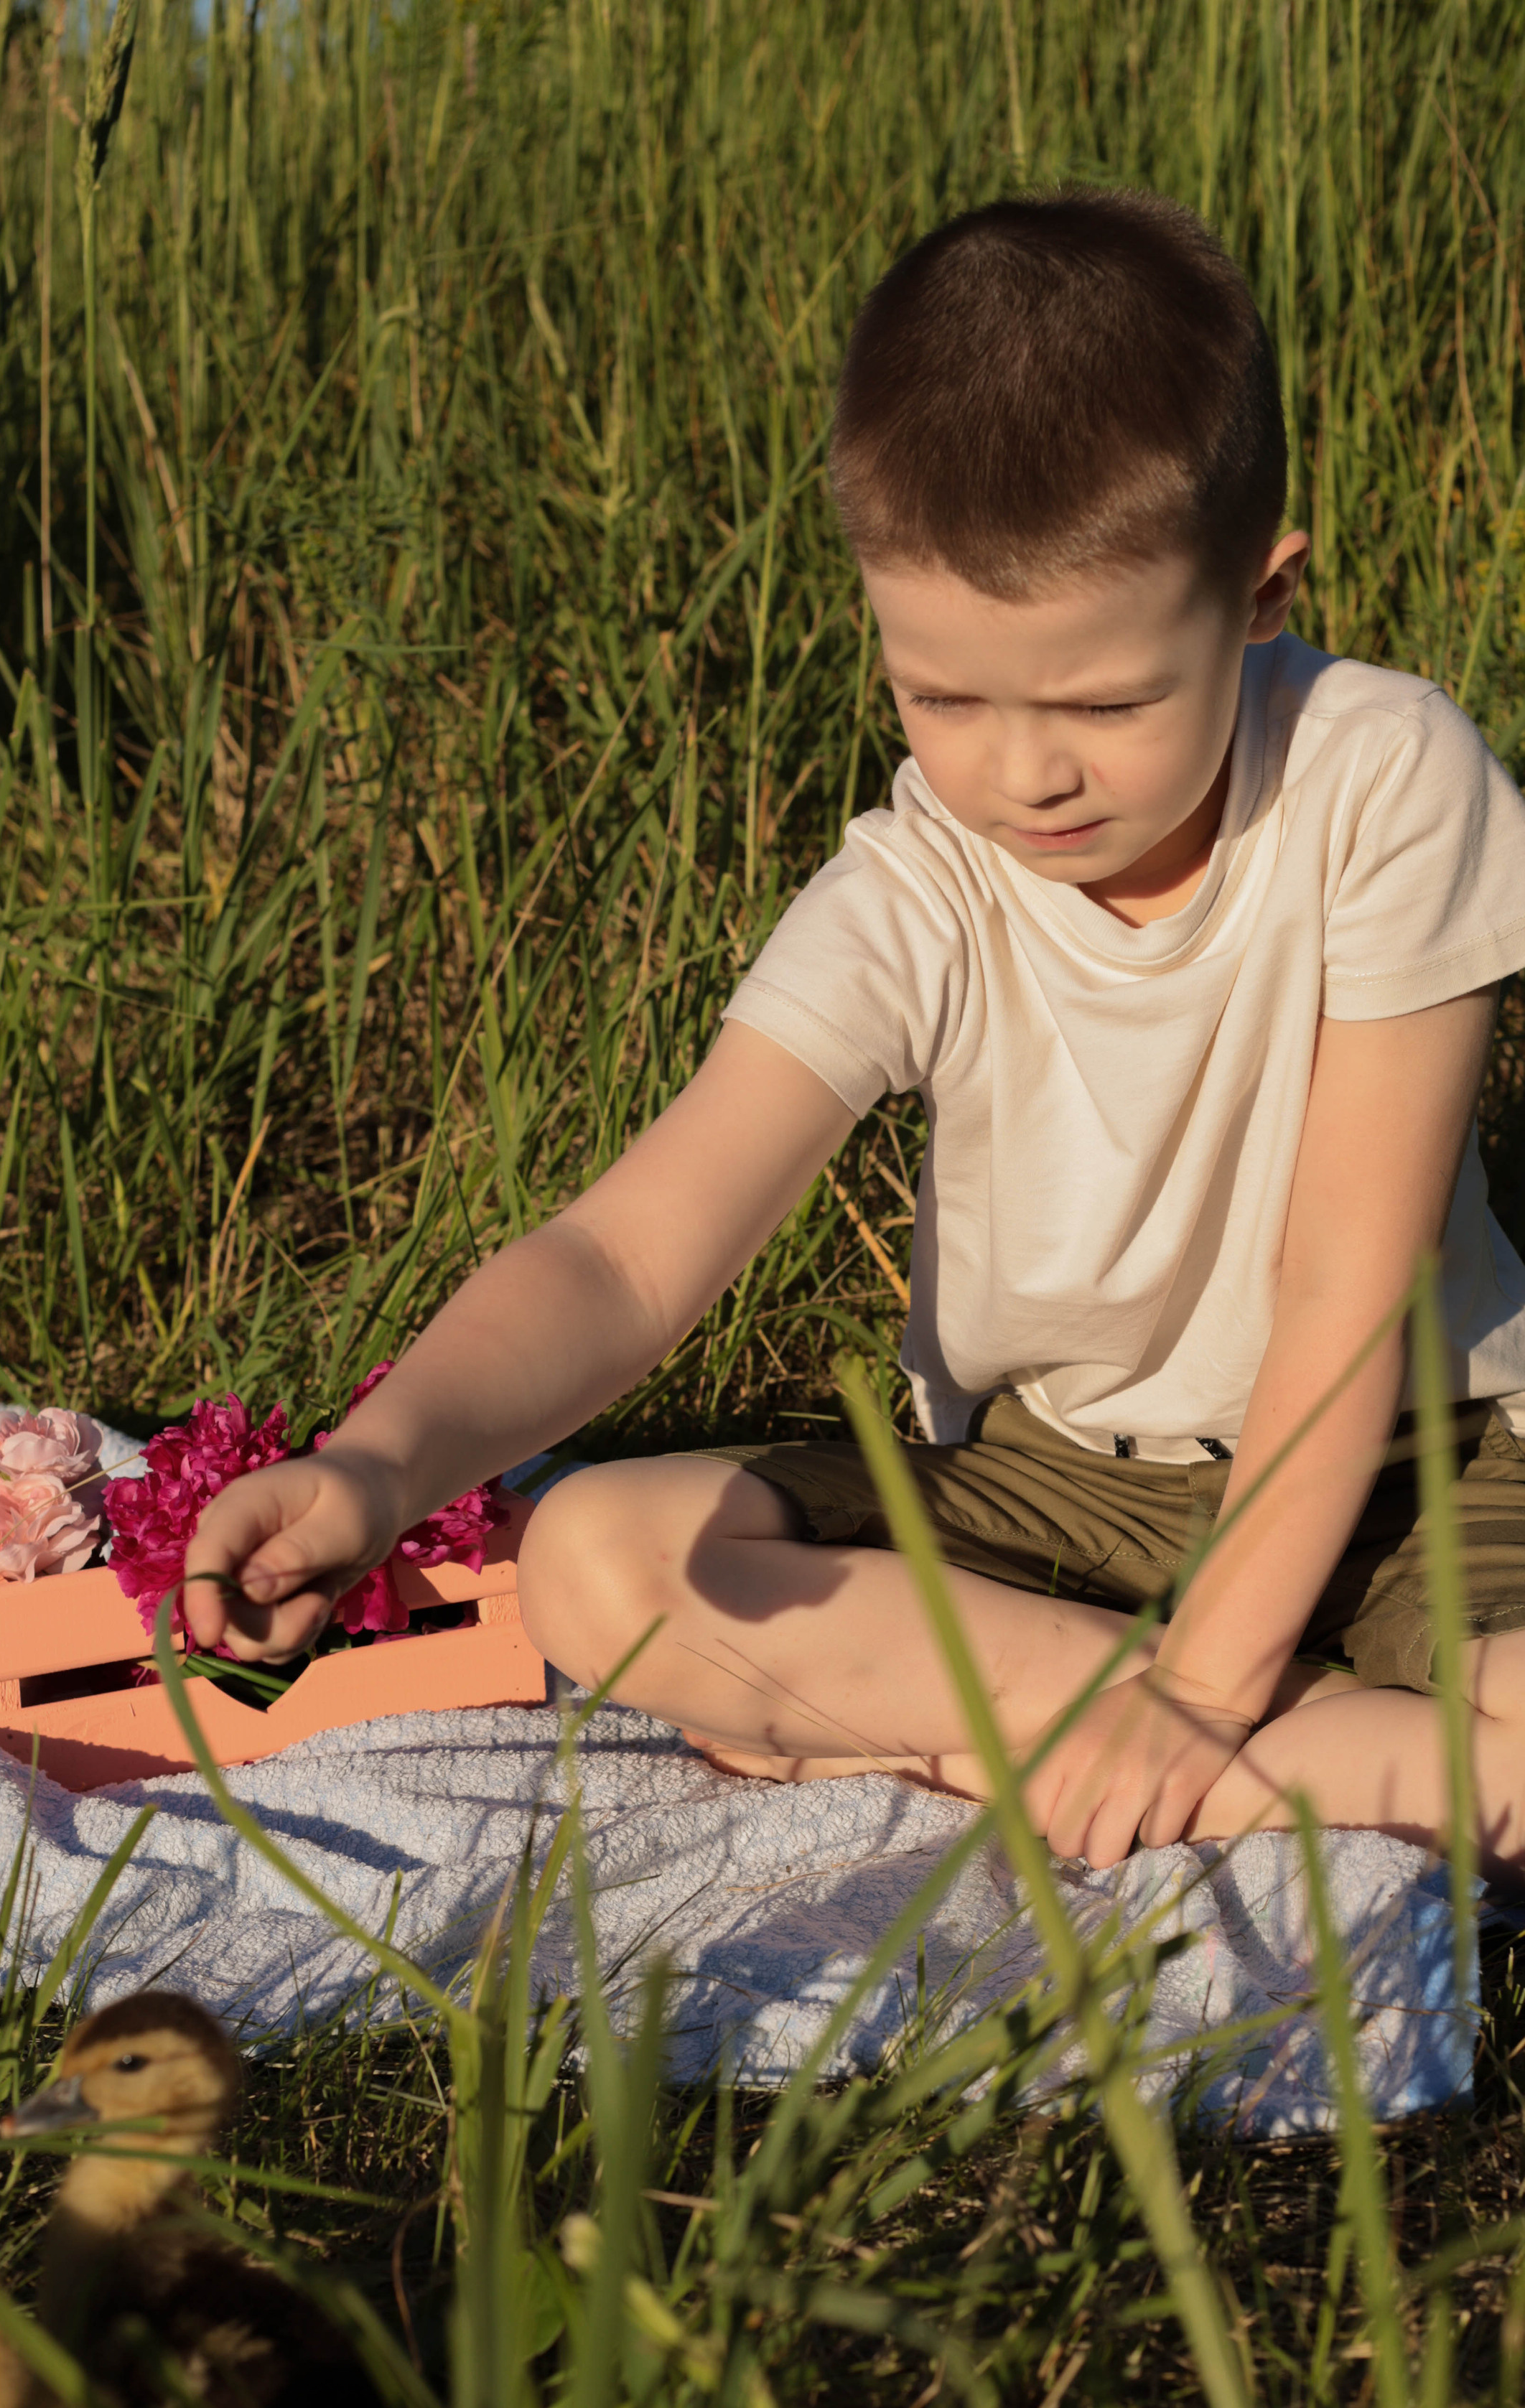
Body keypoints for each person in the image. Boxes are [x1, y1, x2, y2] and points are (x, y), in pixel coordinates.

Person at [183, 190, 1525, 1873]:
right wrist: (380, 1459)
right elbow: (621, 1257)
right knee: (598, 1556)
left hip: (1417, 1462)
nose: (1022, 772)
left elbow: (1347, 1281)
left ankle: (1100, 1739)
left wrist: (1207, 1675)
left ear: (1256, 598)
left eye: (1107, 703)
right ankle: (1267, 1756)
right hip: (1065, 1488)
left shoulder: (1384, 778)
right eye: (941, 695)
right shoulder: (920, 885)